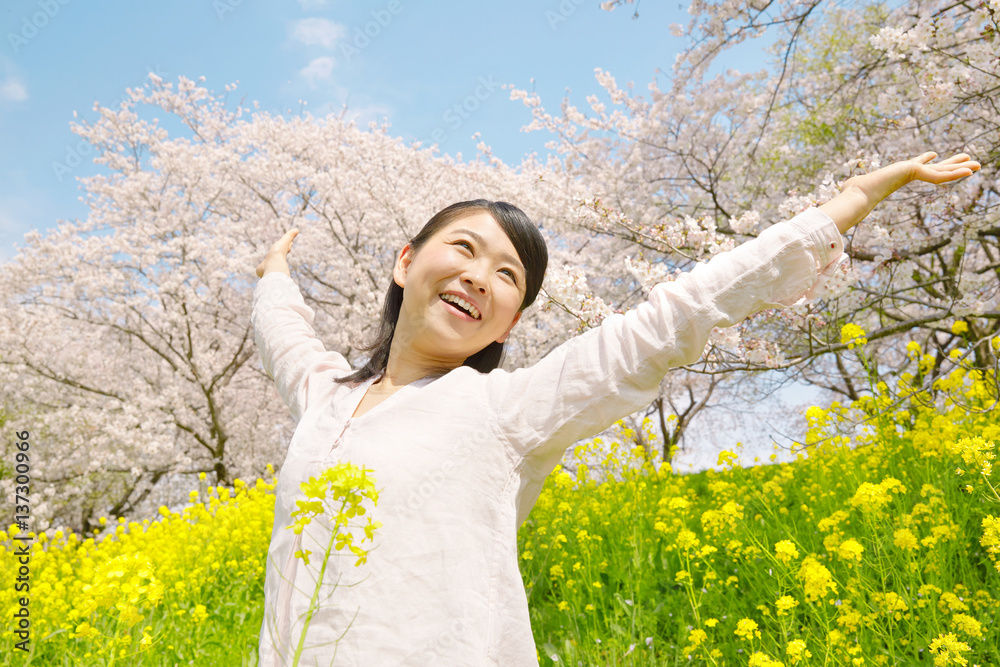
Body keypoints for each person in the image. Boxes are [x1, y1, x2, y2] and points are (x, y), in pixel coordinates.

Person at [251, 152, 979, 666]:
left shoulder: (507, 410)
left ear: (507, 325)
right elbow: (285, 331)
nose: (478, 275)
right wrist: (273, 272)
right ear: (406, 262)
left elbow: (670, 317)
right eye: (464, 249)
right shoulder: (325, 394)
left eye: (507, 276)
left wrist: (852, 198)